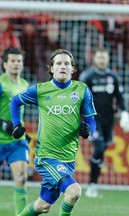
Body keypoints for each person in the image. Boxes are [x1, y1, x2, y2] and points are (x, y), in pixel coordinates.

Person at [10, 48, 97, 216]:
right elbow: (15, 102)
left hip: (69, 159)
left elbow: (91, 120)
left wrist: (88, 130)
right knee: (74, 192)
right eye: (58, 63)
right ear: (51, 68)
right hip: (47, 157)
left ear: (72, 69)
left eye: (66, 63)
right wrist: (16, 124)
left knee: (42, 206)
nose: (62, 66)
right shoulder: (40, 90)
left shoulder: (82, 90)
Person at [79, 47, 129, 198]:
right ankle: (91, 186)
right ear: (94, 59)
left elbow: (119, 97)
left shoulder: (113, 76)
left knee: (102, 150)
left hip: (108, 120)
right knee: (99, 146)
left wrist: (124, 113)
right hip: (93, 119)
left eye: (104, 58)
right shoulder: (87, 76)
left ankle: (93, 184)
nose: (102, 60)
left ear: (108, 59)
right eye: (99, 58)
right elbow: (81, 98)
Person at [0, 46, 30, 216]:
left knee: (21, 178)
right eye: (12, 61)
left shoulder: (25, 85)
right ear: (5, 64)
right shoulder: (1, 84)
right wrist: (3, 125)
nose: (16, 64)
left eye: (19, 61)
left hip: (17, 142)